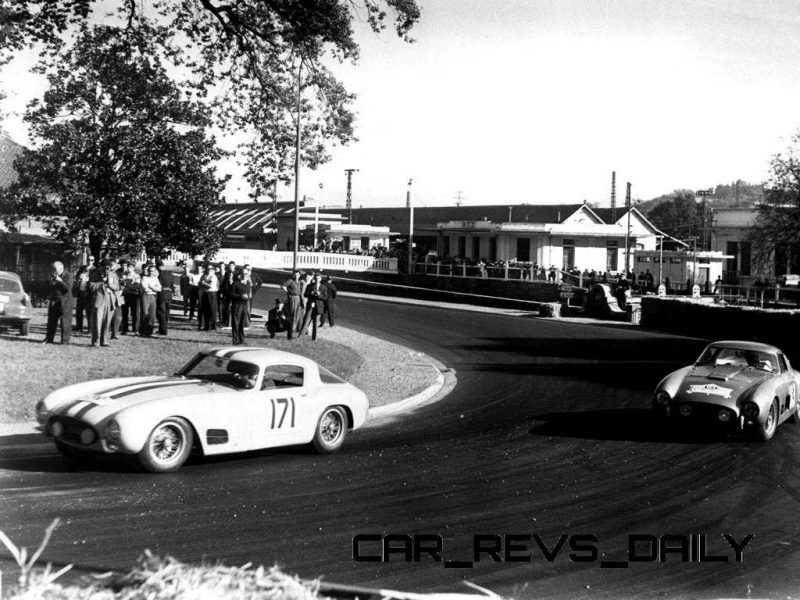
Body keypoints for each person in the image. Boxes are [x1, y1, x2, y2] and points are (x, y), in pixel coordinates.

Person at [88, 259, 120, 347]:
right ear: (100, 266)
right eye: (105, 267)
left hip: (110, 299)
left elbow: (117, 287)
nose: (107, 269)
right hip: (99, 299)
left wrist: (110, 284)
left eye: (109, 267)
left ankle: (104, 341)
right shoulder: (94, 274)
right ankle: (96, 341)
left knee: (107, 321)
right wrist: (102, 283)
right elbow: (91, 286)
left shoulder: (113, 275)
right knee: (97, 322)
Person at [44, 261, 73, 344]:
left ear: (61, 269)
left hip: (65, 301)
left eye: (55, 269)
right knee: (51, 321)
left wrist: (60, 281)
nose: (53, 270)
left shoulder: (69, 275)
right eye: (52, 268)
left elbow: (68, 288)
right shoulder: (52, 275)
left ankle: (64, 341)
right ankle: (49, 339)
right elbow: (48, 287)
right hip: (54, 301)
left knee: (65, 322)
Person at [298, 272, 328, 339]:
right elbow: (305, 294)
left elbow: (325, 297)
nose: (317, 279)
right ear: (314, 278)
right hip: (310, 305)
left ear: (320, 279)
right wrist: (311, 293)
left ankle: (314, 338)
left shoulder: (323, 287)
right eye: (316, 278)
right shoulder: (310, 286)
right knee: (306, 321)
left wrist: (319, 295)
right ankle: (300, 336)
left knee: (315, 323)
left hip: (318, 307)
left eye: (318, 278)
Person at [229, 270, 251, 345]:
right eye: (243, 274)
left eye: (246, 274)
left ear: (248, 274)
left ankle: (242, 340)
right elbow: (230, 294)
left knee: (242, 323)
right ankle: (235, 340)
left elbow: (248, 294)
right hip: (237, 305)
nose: (244, 275)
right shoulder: (235, 283)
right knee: (236, 323)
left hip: (245, 305)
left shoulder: (248, 283)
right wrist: (240, 296)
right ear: (240, 274)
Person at [139, 264, 161, 337]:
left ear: (154, 271)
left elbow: (160, 288)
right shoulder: (144, 278)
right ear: (147, 271)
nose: (151, 272)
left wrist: (151, 287)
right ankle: (143, 332)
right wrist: (154, 288)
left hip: (153, 297)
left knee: (152, 315)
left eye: (152, 271)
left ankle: (149, 332)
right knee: (145, 314)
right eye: (150, 271)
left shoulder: (155, 278)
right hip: (146, 296)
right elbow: (145, 288)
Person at [280, 270, 303, 339]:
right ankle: (291, 330)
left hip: (299, 297)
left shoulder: (299, 282)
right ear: (293, 275)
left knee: (297, 314)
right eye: (295, 275)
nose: (296, 276)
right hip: (292, 298)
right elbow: (282, 285)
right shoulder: (290, 281)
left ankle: (295, 328)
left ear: (299, 275)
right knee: (292, 314)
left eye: (297, 275)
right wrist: (288, 291)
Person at [120, 261, 141, 334]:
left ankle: (135, 329)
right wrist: (129, 285)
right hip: (125, 295)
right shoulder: (124, 275)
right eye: (128, 267)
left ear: (133, 268)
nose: (129, 268)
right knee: (124, 313)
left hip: (134, 296)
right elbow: (121, 284)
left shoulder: (136, 276)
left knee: (134, 313)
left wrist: (127, 285)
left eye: (130, 267)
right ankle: (124, 329)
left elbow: (137, 286)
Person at [155, 260, 174, 335]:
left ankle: (163, 330)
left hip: (162, 294)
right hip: (169, 293)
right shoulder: (171, 274)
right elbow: (172, 285)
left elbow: (158, 285)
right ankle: (163, 328)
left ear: (158, 267)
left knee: (161, 312)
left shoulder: (160, 275)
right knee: (166, 312)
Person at [198, 263, 219, 331]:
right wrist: (203, 283)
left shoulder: (213, 276)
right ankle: (207, 326)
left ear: (212, 269)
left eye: (210, 269)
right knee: (205, 310)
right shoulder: (204, 275)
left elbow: (211, 285)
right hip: (205, 293)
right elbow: (199, 283)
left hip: (211, 293)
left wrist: (203, 283)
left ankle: (213, 326)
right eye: (207, 268)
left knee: (212, 310)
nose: (208, 270)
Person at [72, 264, 91, 332]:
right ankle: (79, 326)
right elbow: (76, 285)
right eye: (83, 270)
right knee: (79, 311)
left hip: (87, 294)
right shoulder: (80, 276)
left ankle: (90, 328)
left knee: (88, 312)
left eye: (86, 270)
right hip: (80, 294)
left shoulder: (90, 276)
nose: (85, 271)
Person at [218, 261, 237, 328]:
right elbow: (224, 283)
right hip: (227, 293)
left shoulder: (237, 273)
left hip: (234, 293)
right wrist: (222, 292)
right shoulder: (227, 273)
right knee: (225, 307)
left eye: (232, 266)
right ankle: (225, 321)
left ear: (234, 266)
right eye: (229, 266)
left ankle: (232, 322)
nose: (230, 267)